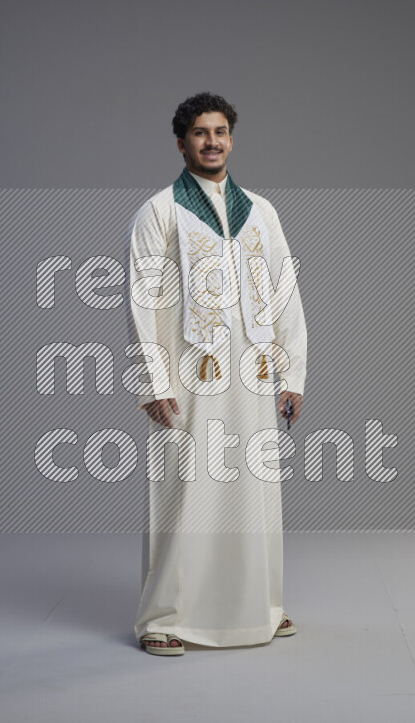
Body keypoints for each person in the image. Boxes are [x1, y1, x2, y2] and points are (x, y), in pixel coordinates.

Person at [125, 92, 307, 656]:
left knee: (254, 491)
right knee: (185, 491)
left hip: (251, 375)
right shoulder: (160, 211)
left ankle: (262, 607)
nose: (212, 141)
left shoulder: (262, 210)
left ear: (232, 138)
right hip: (189, 376)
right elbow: (141, 299)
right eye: (200, 133)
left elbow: (284, 291)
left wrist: (292, 371)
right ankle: (163, 618)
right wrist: (151, 383)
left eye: (220, 131)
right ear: (181, 143)